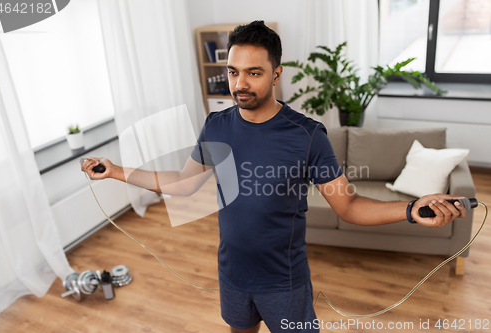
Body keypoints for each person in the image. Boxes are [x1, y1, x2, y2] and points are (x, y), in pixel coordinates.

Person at [81, 20, 466, 333]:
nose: (240, 84)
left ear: (276, 73)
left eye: (253, 72)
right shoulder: (216, 125)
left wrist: (411, 208)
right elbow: (184, 183)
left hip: (284, 283)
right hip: (232, 274)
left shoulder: (307, 135)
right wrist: (116, 171)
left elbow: (348, 206)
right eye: (233, 72)